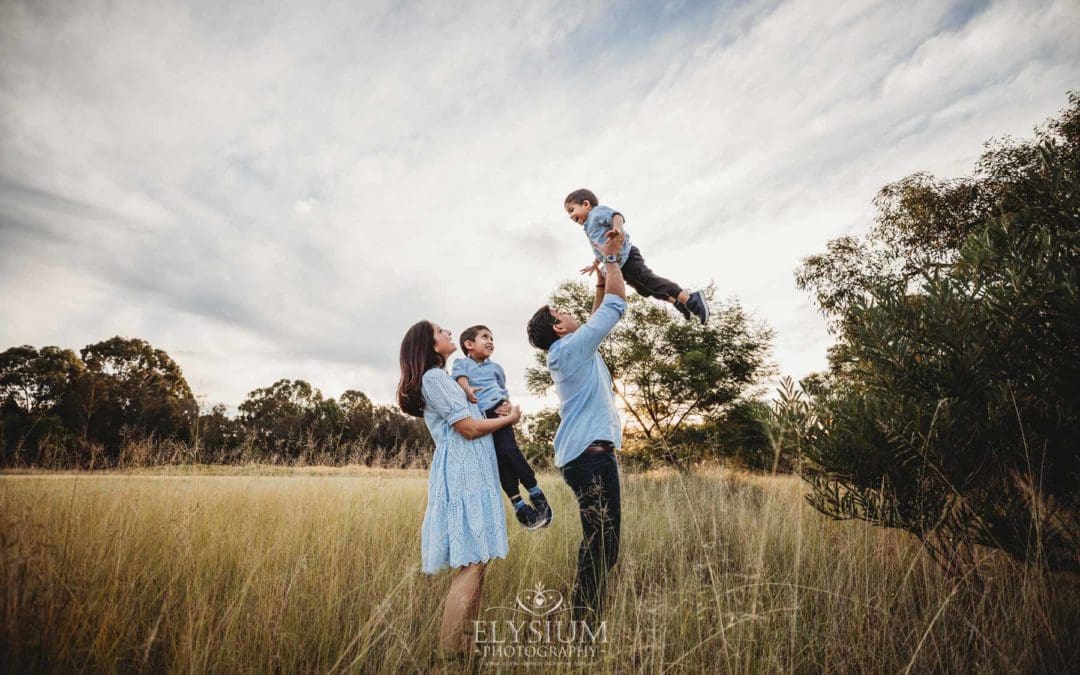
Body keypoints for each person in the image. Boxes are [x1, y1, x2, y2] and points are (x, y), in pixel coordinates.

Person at [397, 320, 520, 655]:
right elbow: (466, 428)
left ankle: (466, 643)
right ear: (428, 344)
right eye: (441, 331)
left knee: (479, 558)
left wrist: (499, 409)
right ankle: (449, 649)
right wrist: (509, 421)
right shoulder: (433, 378)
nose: (448, 332)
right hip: (463, 470)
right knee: (472, 561)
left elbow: (476, 416)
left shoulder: (448, 380)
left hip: (477, 468)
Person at [525, 229, 627, 622]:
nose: (569, 313)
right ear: (557, 328)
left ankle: (583, 618)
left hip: (586, 457)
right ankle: (583, 627)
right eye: (561, 314)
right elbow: (616, 305)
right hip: (590, 458)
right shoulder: (569, 348)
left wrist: (600, 275)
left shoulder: (569, 348)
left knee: (598, 540)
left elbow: (594, 316)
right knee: (605, 544)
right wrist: (614, 257)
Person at [452, 325, 553, 529]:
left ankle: (535, 492)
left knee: (509, 451)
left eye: (492, 338)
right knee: (498, 460)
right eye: (484, 337)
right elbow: (459, 378)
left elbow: (502, 390)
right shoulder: (461, 363)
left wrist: (506, 404)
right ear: (469, 344)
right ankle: (518, 504)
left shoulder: (496, 368)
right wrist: (467, 389)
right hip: (480, 418)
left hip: (497, 412)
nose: (490, 341)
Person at [564, 187, 710, 324]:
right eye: (568, 214)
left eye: (571, 210)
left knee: (649, 280)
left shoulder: (596, 213)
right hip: (619, 265)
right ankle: (678, 302)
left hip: (628, 257)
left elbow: (617, 215)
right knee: (645, 290)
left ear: (586, 204)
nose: (570, 216)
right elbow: (602, 247)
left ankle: (692, 299)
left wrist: (617, 228)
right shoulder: (588, 227)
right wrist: (596, 262)